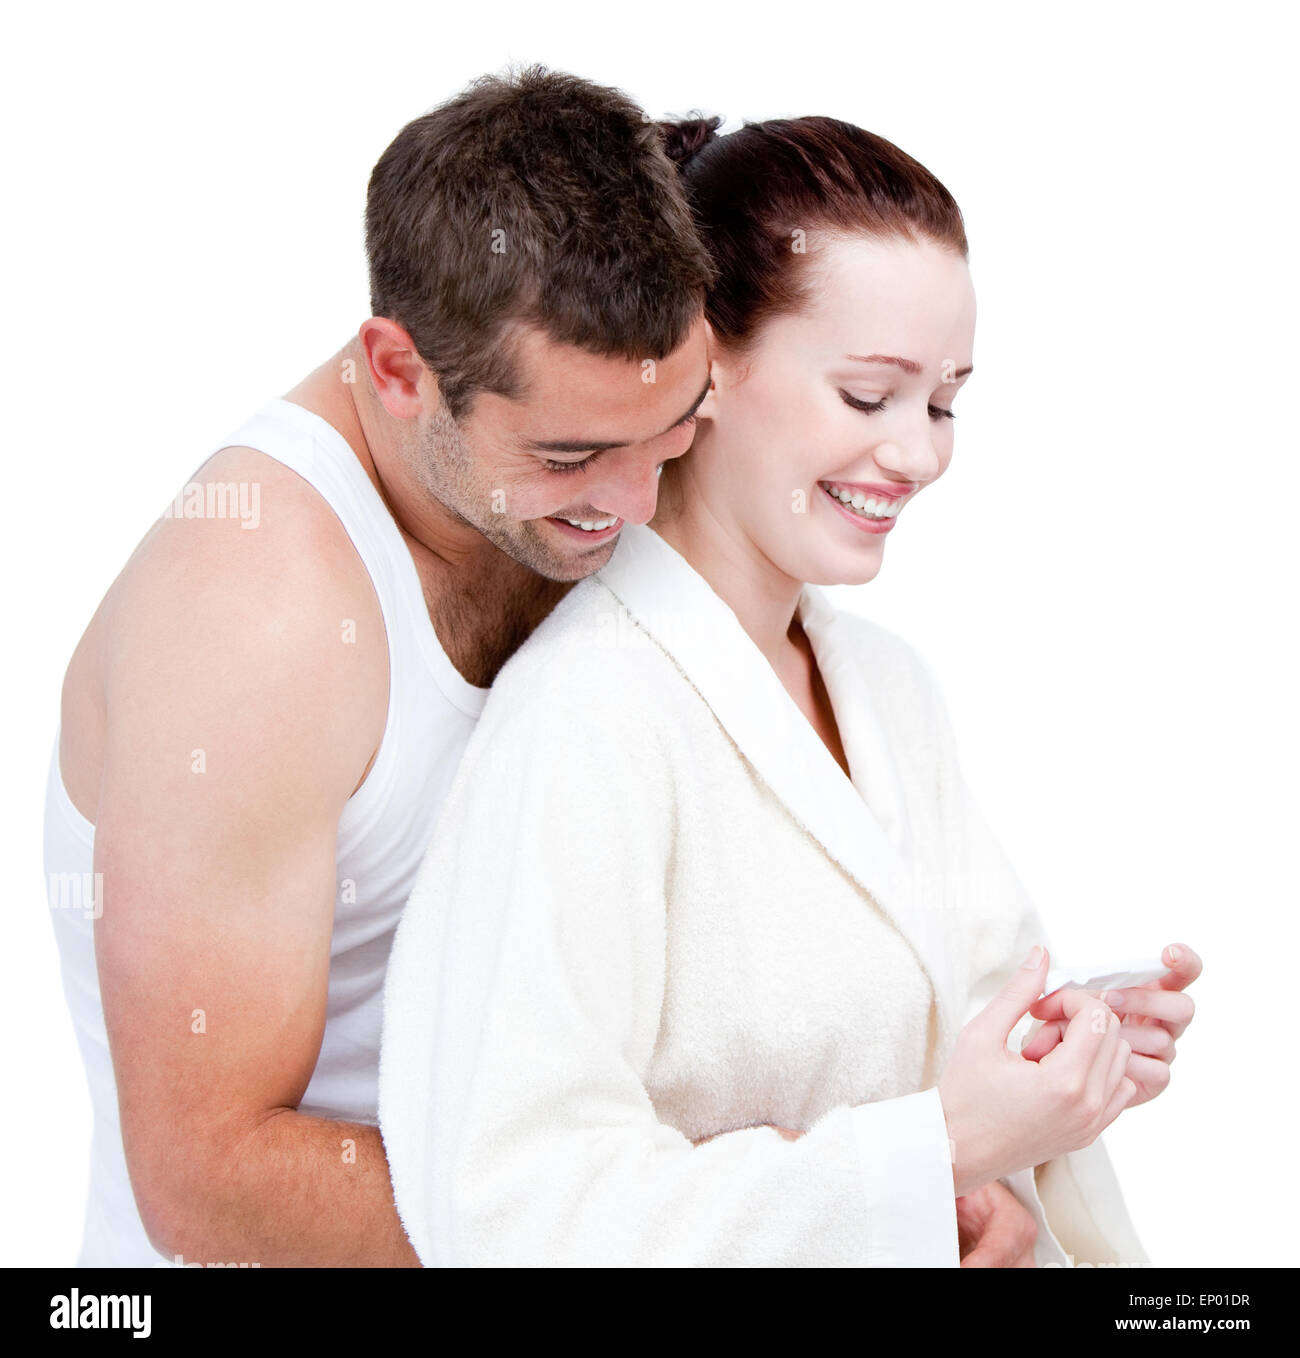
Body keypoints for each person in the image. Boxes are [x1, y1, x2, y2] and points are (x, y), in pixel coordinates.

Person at [377, 113, 1202, 1267]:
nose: (917, 454)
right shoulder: (585, 719)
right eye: (870, 397)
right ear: (704, 367)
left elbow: (935, 1040)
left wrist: (1055, 1056)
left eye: (945, 401)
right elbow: (513, 1210)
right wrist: (932, 1155)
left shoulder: (887, 690)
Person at [42, 65, 716, 1267]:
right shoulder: (257, 617)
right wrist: (722, 1216)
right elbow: (211, 1181)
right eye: (571, 456)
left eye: (672, 434)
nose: (635, 502)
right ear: (398, 371)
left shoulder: (581, 440)